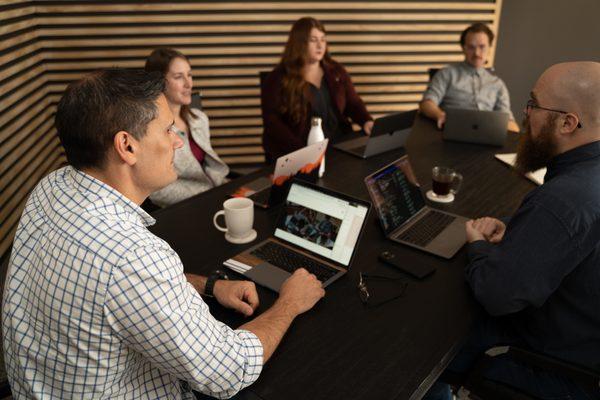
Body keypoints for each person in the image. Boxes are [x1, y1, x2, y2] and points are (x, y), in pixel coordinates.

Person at [1, 68, 325, 399]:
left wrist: (210, 285)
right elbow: (230, 369)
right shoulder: (132, 255)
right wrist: (289, 301)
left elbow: (120, 287)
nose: (178, 140)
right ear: (126, 146)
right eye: (169, 129)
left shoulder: (51, 187)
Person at [425, 62, 600, 399]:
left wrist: (477, 246)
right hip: (586, 351)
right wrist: (518, 231)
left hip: (546, 366)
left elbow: (497, 295)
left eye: (534, 104)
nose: (526, 114)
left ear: (568, 122)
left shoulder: (562, 201)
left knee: (422, 347)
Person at [261, 17, 373, 161]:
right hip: (300, 150)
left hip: (339, 145)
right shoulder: (277, 78)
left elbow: (353, 103)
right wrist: (302, 153)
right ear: (299, 43)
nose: (320, 45)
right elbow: (273, 123)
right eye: (313, 40)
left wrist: (366, 121)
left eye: (323, 39)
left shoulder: (336, 70)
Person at [144, 47, 229, 207]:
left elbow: (209, 167)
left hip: (215, 194)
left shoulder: (199, 119)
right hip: (182, 208)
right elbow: (157, 191)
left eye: (189, 75)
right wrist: (210, 196)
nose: (189, 84)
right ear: (159, 83)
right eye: (178, 77)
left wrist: (227, 190)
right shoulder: (149, 128)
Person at [419, 22, 520, 132]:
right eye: (471, 47)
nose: (477, 53)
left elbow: (509, 122)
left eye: (482, 47)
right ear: (463, 48)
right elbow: (427, 104)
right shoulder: (446, 74)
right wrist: (440, 115)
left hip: (486, 137)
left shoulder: (498, 84)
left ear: (490, 47)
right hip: (451, 132)